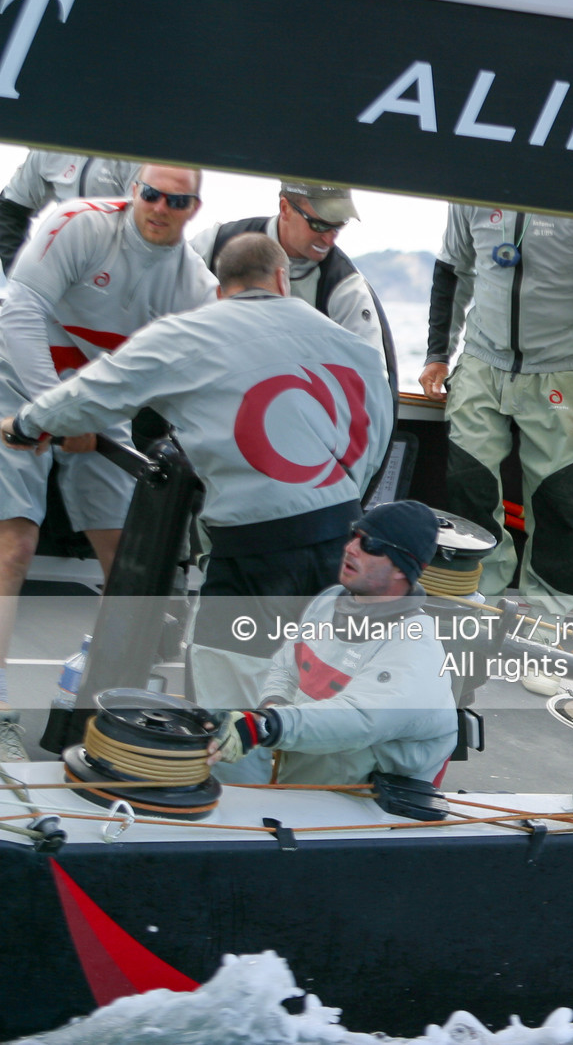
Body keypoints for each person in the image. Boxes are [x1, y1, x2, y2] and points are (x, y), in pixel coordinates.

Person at [1, 234, 392, 777]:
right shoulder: (352, 345)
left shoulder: (191, 333)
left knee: (227, 709)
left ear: (219, 289)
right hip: (343, 543)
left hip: (255, 552)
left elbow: (94, 393)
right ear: (283, 281)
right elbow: (377, 436)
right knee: (310, 689)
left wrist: (26, 424)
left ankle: (237, 817)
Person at [0, 164, 214, 760]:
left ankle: (103, 702)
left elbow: (195, 374)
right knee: (13, 548)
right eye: (151, 194)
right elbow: (18, 311)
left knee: (129, 563)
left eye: (177, 200)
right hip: (17, 387)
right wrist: (54, 416)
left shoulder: (193, 284)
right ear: (133, 193)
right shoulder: (74, 226)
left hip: (96, 406)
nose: (160, 208)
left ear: (193, 208)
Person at [417, 204, 573, 611]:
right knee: (467, 485)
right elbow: (453, 270)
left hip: (562, 369)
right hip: (481, 362)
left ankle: (548, 622)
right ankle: (477, 602)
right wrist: (438, 353)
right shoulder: (470, 188)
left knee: (560, 504)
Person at [206, 500, 456, 787]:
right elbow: (287, 667)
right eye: (354, 535)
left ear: (403, 567)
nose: (350, 548)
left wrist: (265, 726)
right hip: (306, 795)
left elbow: (358, 720)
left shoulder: (416, 650)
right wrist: (274, 705)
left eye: (370, 544)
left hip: (370, 813)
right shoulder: (330, 601)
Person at [190, 181, 395, 386]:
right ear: (285, 208)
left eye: (338, 225)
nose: (329, 240)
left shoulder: (346, 289)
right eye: (320, 225)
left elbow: (371, 383)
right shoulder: (213, 244)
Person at [0, 149, 140, 272]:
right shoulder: (52, 142)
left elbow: (141, 234)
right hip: (59, 272)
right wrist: (19, 276)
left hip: (114, 280)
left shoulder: (137, 151)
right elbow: (9, 209)